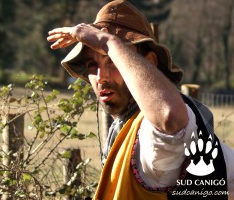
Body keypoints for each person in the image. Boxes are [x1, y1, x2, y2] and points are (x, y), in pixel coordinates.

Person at [47, 0, 234, 199]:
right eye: (93, 64)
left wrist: (108, 42)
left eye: (113, 60)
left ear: (150, 63)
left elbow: (168, 115)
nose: (101, 76)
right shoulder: (124, 128)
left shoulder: (148, 132)